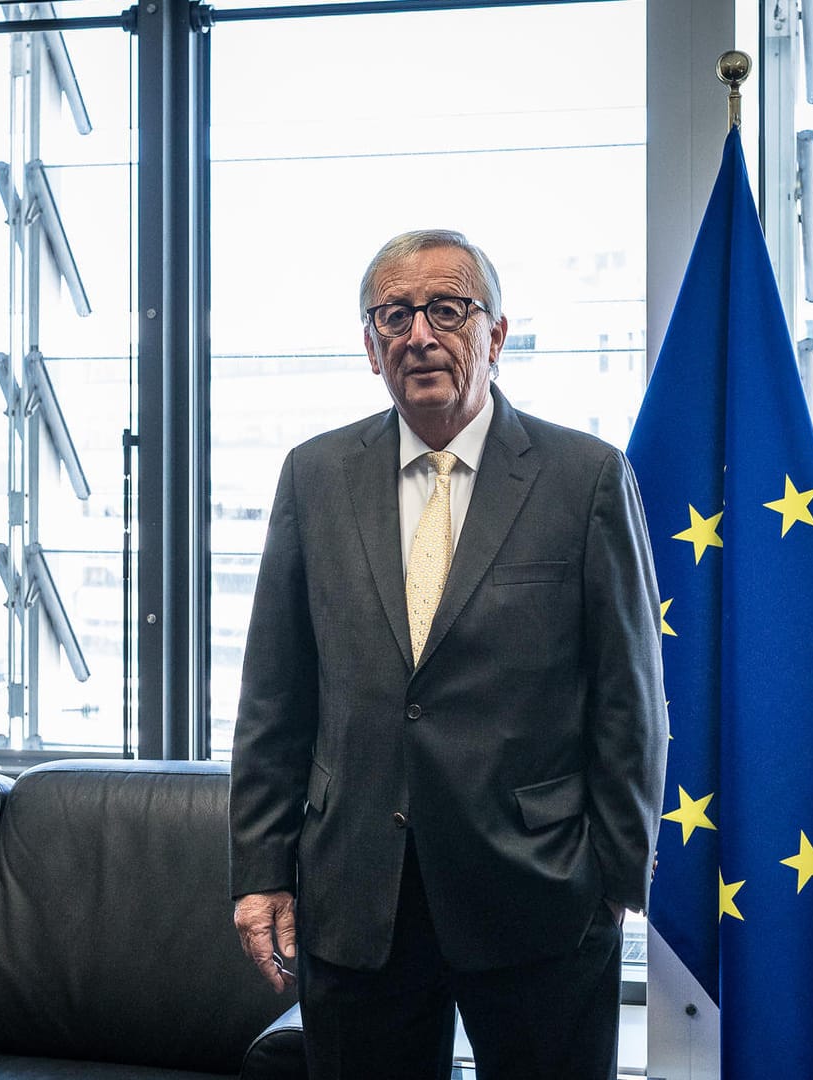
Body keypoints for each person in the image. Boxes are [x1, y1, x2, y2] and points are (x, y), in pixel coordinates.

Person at [228, 229, 668, 1080]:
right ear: (370, 346)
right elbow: (274, 699)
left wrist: (612, 883)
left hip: (539, 894)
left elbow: (630, 699)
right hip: (356, 890)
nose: (419, 333)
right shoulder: (313, 476)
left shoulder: (586, 478)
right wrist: (260, 872)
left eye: (447, 309)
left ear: (495, 335)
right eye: (394, 314)